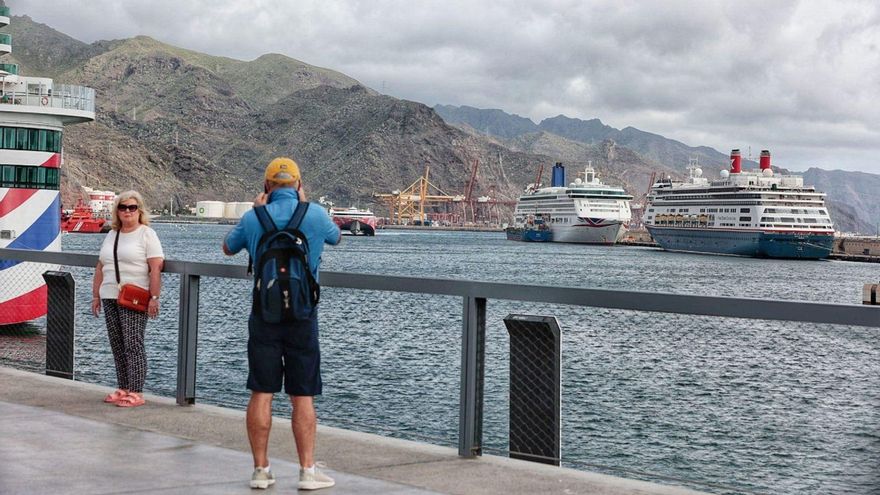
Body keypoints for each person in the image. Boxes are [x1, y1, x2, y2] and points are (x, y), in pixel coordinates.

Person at [223, 157, 341, 490]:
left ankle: (261, 470)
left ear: (267, 186)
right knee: (302, 396)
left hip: (264, 315)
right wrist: (305, 206)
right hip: (303, 317)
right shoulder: (315, 214)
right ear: (299, 185)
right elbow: (336, 238)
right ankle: (306, 471)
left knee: (262, 391)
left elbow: (228, 248)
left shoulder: (253, 217)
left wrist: (257, 212)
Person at [91, 191, 164, 408]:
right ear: (117, 211)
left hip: (134, 296)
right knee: (117, 344)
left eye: (132, 207)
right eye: (123, 207)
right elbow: (101, 266)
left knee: (133, 344)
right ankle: (123, 387)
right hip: (110, 295)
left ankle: (136, 391)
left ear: (139, 210)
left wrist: (154, 297)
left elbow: (156, 267)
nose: (127, 211)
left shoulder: (146, 234)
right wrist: (96, 294)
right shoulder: (112, 234)